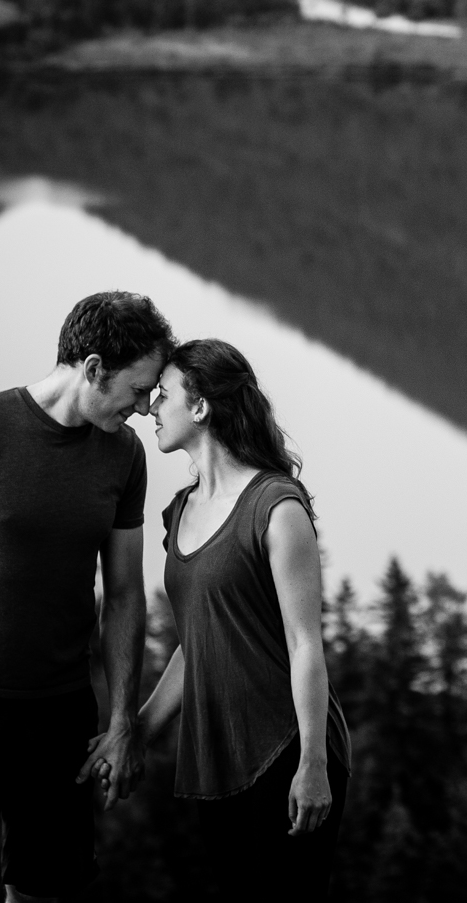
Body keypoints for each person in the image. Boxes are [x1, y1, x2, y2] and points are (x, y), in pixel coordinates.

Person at [0, 291, 175, 903]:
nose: (148, 407)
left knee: (48, 892)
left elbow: (124, 594)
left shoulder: (124, 456)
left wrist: (124, 719)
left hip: (58, 716)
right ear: (94, 369)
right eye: (140, 388)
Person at [96, 337, 350, 899]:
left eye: (164, 396)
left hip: (286, 745)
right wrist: (136, 728)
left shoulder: (276, 507)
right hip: (216, 755)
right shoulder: (179, 512)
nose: (151, 409)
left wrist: (313, 764)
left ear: (202, 407)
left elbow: (306, 644)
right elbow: (198, 639)